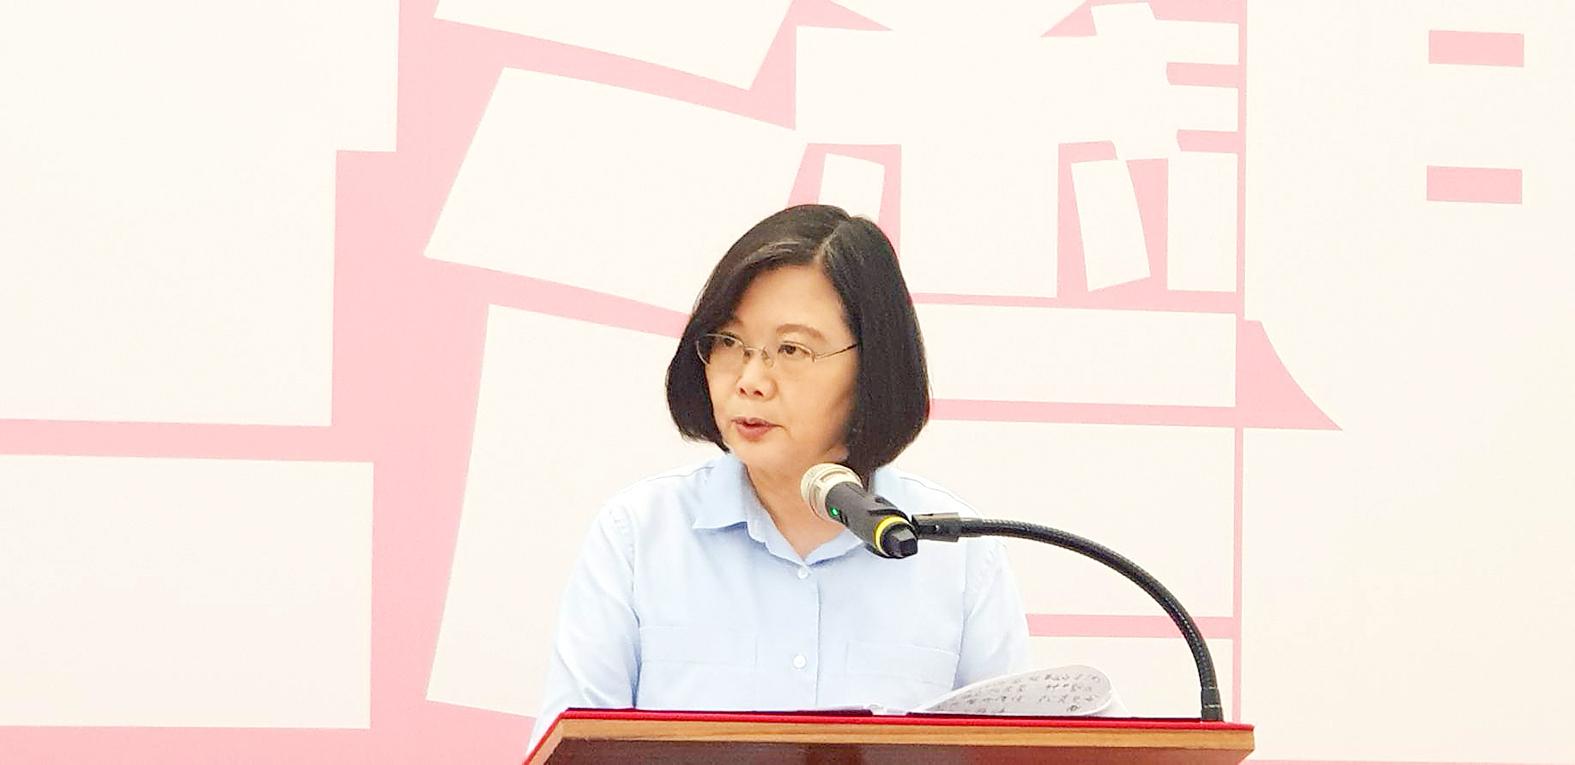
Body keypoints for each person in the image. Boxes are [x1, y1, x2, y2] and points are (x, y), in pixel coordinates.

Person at [527, 204, 1029, 750]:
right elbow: (572, 752)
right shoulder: (638, 538)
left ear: (872, 365)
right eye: (728, 343)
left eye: (791, 349)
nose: (750, 380)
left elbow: (1015, 754)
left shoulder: (957, 558)